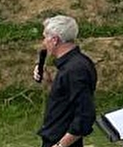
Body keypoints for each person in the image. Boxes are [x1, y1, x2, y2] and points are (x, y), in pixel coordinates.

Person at [37, 14, 96, 147]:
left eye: (45, 37)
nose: (43, 42)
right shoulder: (76, 63)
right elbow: (65, 96)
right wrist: (48, 80)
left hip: (62, 140)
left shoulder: (75, 70)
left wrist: (61, 145)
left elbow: (85, 114)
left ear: (55, 40)